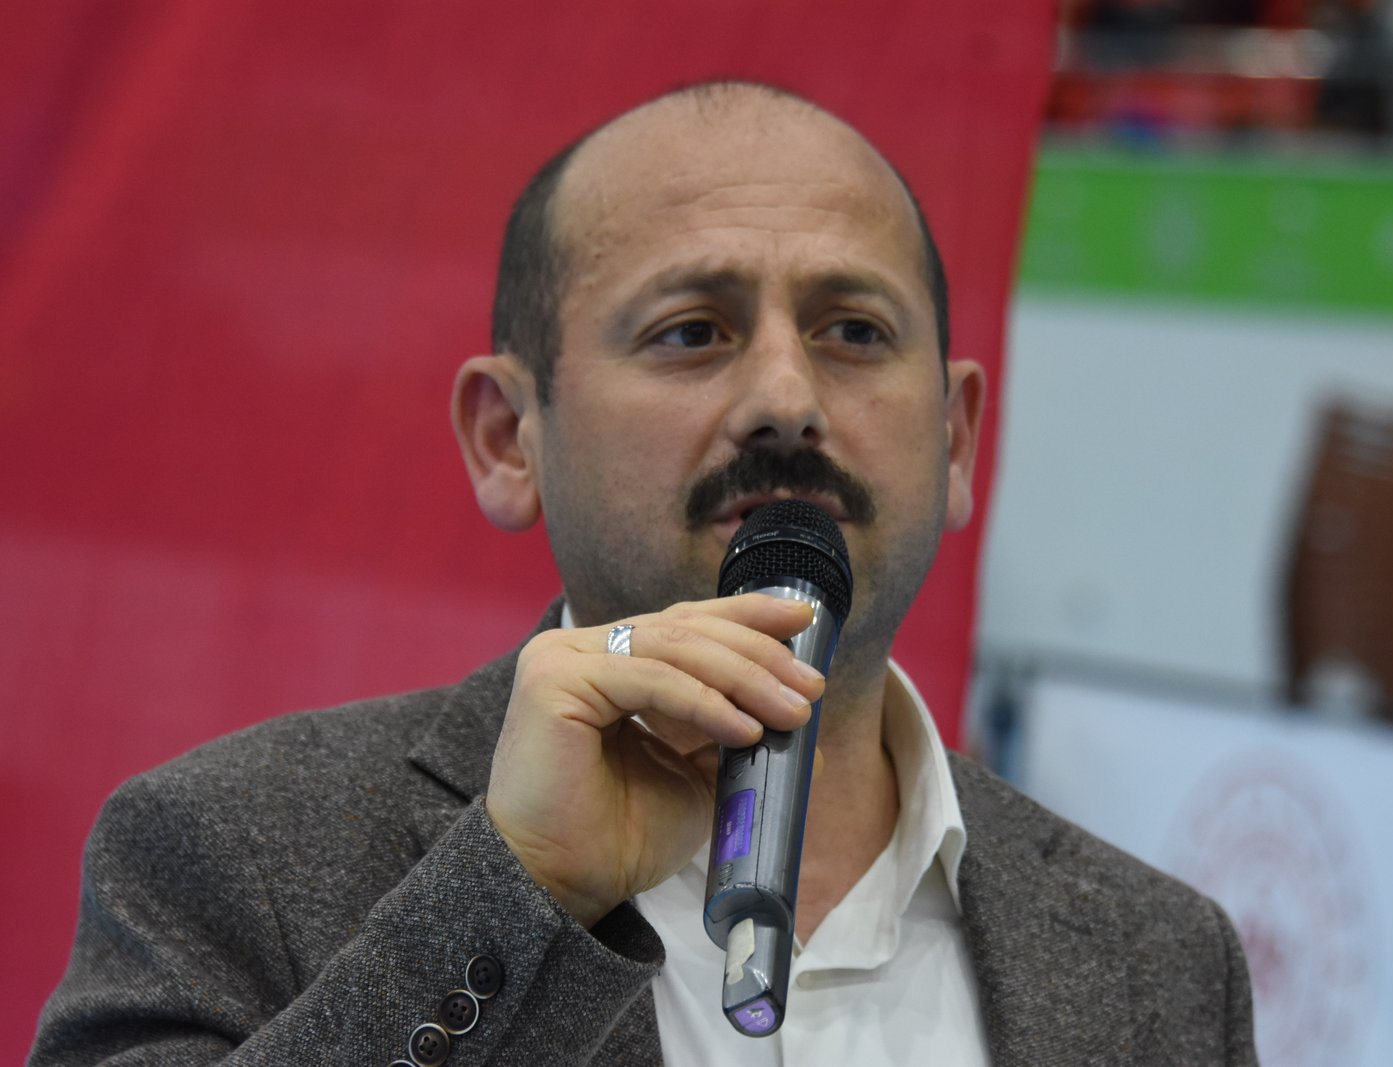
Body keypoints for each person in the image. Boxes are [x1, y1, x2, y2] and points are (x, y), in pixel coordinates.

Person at [31, 81, 1258, 1066]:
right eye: (691, 330)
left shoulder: (1157, 958)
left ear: (953, 441)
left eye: (853, 330)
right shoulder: (229, 851)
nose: (786, 397)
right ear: (508, 438)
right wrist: (512, 891)